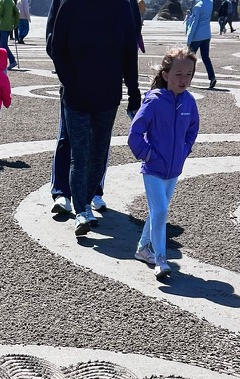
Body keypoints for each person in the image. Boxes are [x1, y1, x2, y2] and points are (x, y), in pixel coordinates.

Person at [49, 0, 140, 237]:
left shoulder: (121, 6)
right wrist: (70, 83)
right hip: (76, 96)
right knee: (79, 156)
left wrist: (134, 91)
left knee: (98, 155)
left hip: (108, 96)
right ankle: (81, 210)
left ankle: (87, 201)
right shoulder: (71, 4)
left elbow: (129, 51)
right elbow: (56, 47)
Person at [129, 47, 199, 281]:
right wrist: (148, 155)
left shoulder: (189, 102)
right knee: (160, 210)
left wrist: (184, 151)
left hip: (174, 170)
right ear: (166, 74)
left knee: (157, 211)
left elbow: (192, 130)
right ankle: (160, 258)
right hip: (153, 169)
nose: (184, 79)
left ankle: (142, 248)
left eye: (189, 74)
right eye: (178, 74)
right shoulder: (154, 102)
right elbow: (135, 134)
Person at [185, 0, 216, 88]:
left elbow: (194, 23)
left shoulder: (198, 7)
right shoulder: (210, 3)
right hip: (206, 35)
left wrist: (189, 39)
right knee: (206, 58)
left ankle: (188, 79)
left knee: (190, 59)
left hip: (197, 37)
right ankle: (212, 77)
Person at [0, 0, 18, 69]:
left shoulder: (2, 1)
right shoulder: (12, 2)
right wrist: (15, 23)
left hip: (3, 26)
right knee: (2, 45)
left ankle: (12, 60)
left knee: (3, 45)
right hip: (9, 26)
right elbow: (17, 13)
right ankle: (1, 62)